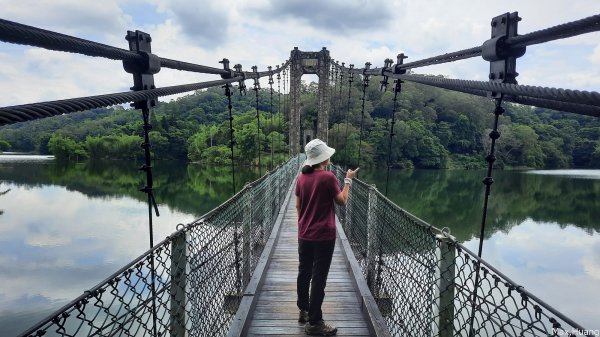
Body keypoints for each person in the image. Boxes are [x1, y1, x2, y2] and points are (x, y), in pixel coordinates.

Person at [295, 138, 358, 336]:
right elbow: (341, 201)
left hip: (304, 234)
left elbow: (298, 205)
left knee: (304, 272)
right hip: (323, 236)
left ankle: (304, 310)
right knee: (319, 278)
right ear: (323, 158)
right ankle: (315, 323)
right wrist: (348, 180)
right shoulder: (328, 178)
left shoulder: (301, 177)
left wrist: (304, 223)